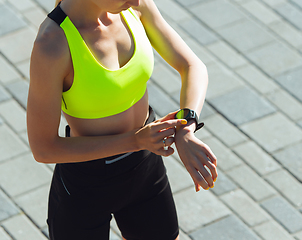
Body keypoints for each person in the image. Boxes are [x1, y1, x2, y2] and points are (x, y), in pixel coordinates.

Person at [27, 0, 217, 239]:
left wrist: (186, 126)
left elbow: (192, 66)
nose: (136, 0)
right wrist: (136, 141)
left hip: (145, 169)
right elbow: (44, 149)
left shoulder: (135, 7)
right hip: (85, 188)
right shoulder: (52, 45)